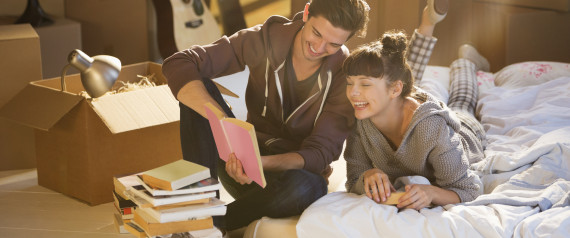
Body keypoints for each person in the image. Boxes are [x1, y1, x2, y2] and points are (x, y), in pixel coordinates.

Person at [161, 0, 370, 230]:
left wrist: (259, 164)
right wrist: (223, 125)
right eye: (316, 33)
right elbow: (179, 63)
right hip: (237, 162)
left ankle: (209, 225)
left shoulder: (344, 76)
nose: (319, 48)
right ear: (307, 13)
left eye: (332, 44)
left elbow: (319, 153)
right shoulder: (267, 38)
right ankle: (199, 202)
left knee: (309, 186)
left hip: (287, 181)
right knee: (198, 90)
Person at [343, 8, 488, 210]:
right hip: (407, 100)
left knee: (462, 101)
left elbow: (469, 189)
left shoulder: (432, 128)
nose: (353, 93)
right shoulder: (362, 117)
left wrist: (432, 193)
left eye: (365, 84)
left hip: (464, 131)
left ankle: (467, 62)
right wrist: (368, 175)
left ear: (395, 89)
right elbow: (353, 179)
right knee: (422, 82)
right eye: (349, 83)